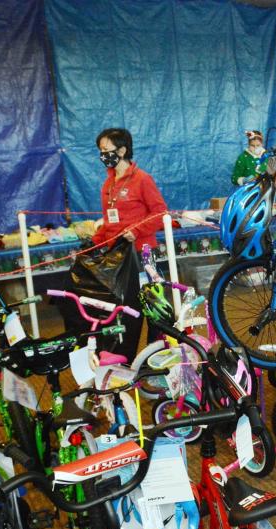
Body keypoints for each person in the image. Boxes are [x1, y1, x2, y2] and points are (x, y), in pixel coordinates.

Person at [89, 128, 167, 358]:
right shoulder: (108, 184)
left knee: (153, 310)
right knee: (124, 311)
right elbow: (109, 222)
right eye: (100, 150)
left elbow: (160, 212)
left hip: (142, 255)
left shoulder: (142, 179)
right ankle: (124, 358)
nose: (102, 154)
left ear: (121, 150)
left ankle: (155, 359)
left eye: (106, 149)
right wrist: (94, 243)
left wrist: (138, 230)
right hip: (117, 257)